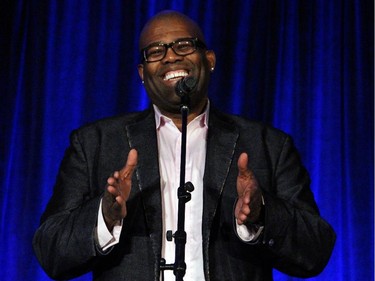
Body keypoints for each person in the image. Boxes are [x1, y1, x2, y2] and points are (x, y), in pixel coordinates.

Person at [33, 10, 336, 281]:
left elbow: (314, 252)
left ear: (210, 60)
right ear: (142, 73)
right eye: (155, 51)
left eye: (184, 45)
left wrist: (262, 214)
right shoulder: (94, 143)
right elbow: (51, 251)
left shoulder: (267, 144)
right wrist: (105, 217)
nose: (170, 57)